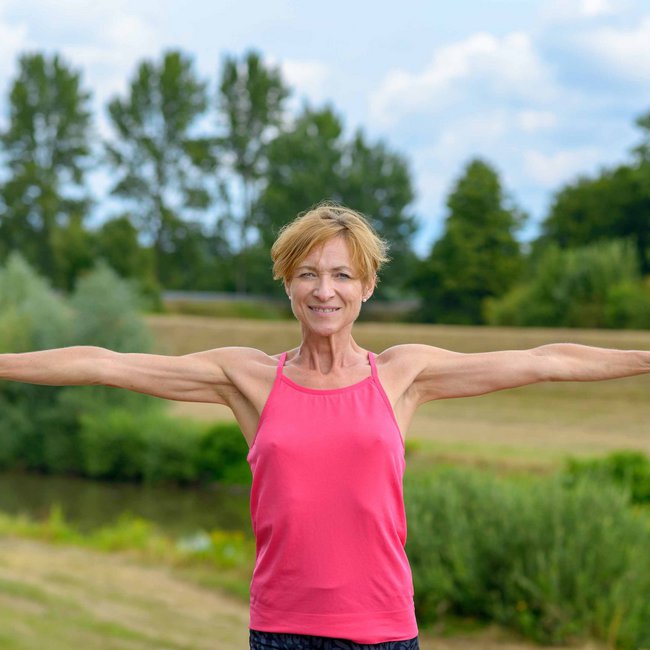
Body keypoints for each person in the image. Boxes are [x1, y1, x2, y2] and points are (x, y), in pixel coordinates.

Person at [1, 202, 649, 650]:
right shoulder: (249, 379)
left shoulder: (403, 374)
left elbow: (545, 361)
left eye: (342, 274)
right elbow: (102, 363)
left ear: (366, 286)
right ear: (287, 283)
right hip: (283, 629)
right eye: (308, 273)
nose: (324, 290)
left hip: (386, 630)